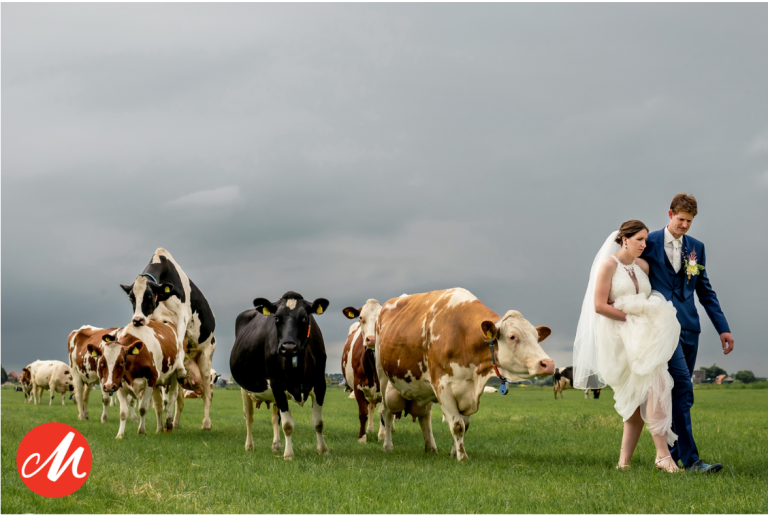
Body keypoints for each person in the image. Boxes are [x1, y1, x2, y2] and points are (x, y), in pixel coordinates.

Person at [574, 220, 682, 472]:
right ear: (624, 239)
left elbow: (649, 297)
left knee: (657, 385)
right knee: (633, 404)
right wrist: (629, 318)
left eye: (646, 240)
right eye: (639, 240)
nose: (644, 245)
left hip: (644, 339)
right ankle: (636, 461)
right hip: (618, 339)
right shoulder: (608, 265)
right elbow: (599, 305)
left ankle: (657, 457)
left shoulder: (643, 266)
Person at [640, 194, 732, 473]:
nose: (684, 226)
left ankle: (668, 455)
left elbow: (704, 289)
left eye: (689, 222)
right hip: (660, 327)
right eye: (680, 220)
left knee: (675, 394)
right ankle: (691, 461)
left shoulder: (696, 248)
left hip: (690, 327)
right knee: (683, 389)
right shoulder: (649, 242)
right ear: (670, 214)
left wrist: (723, 327)